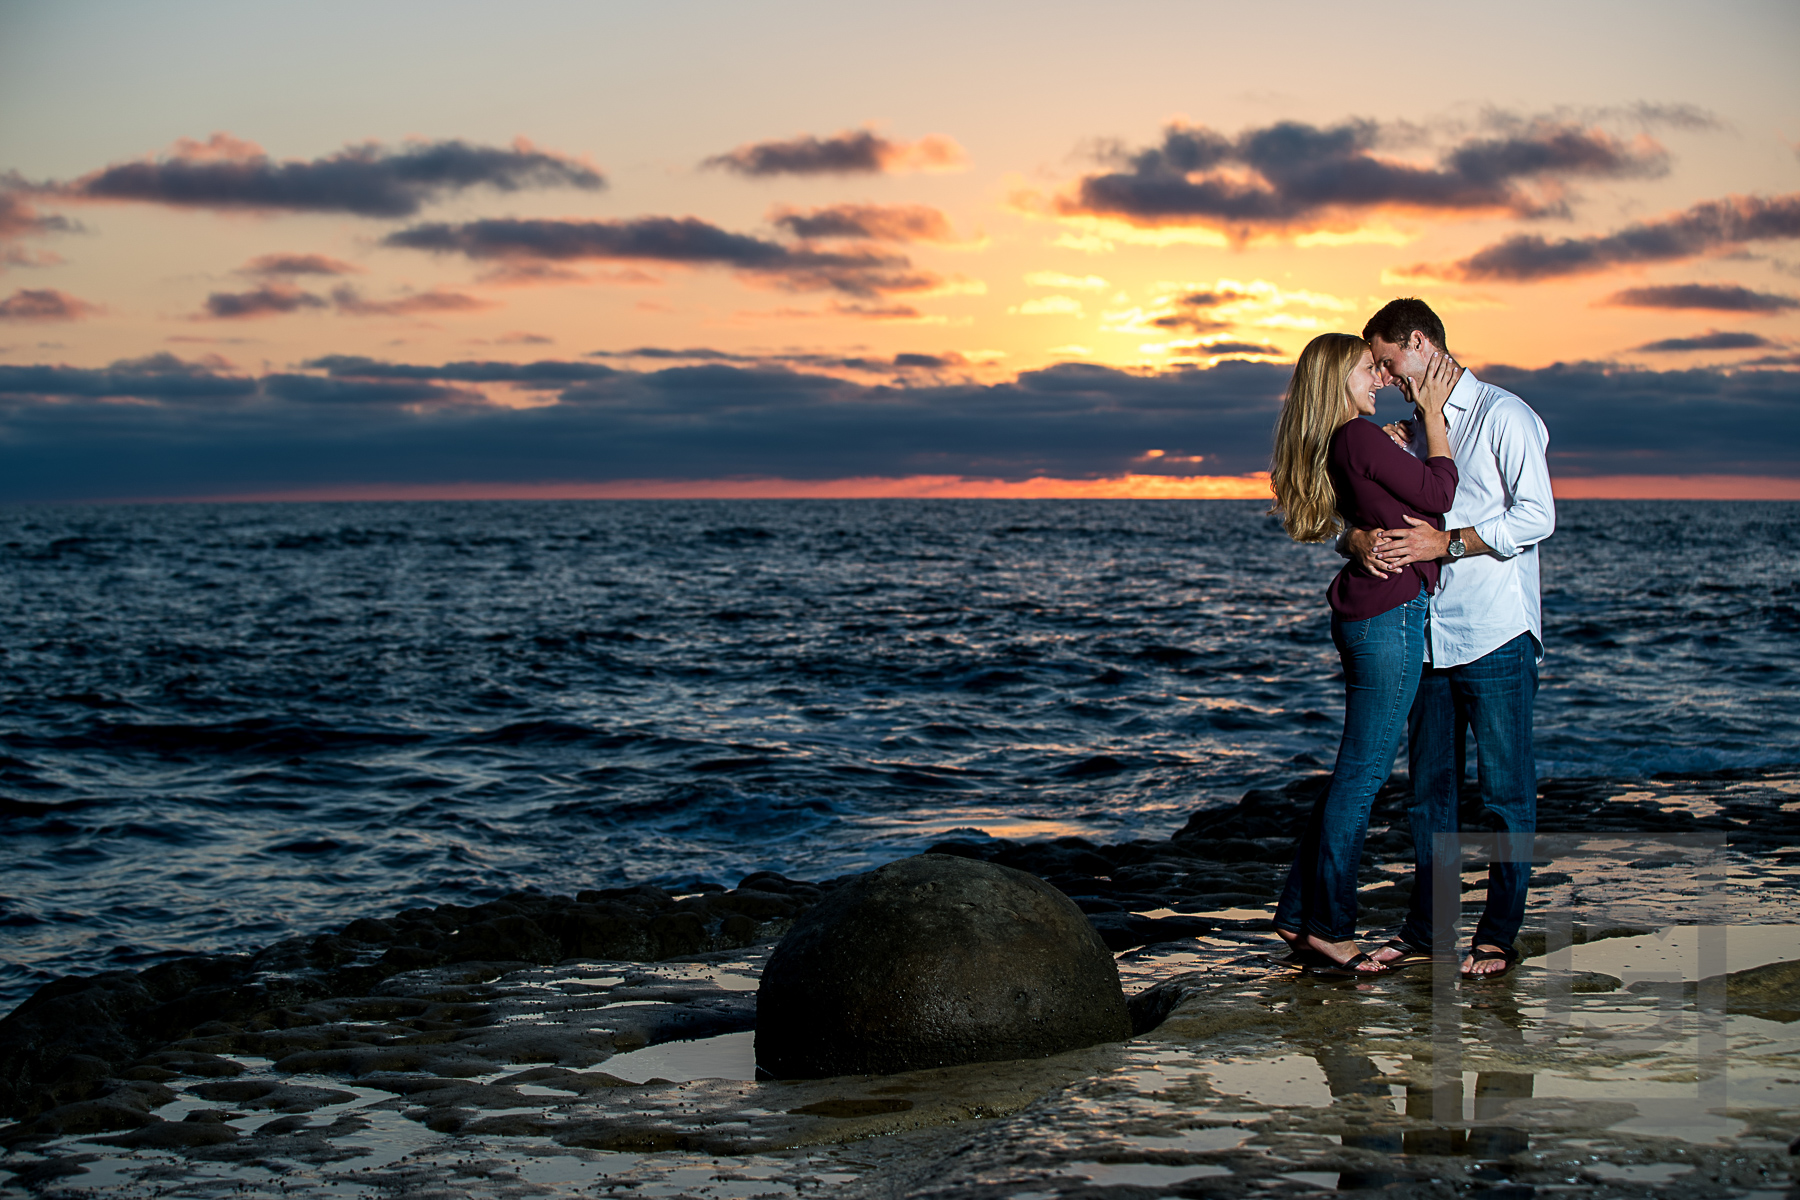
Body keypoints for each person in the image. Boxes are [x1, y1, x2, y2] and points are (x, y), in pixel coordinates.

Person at [1349, 298, 1556, 979]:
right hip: (1428, 638)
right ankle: (1428, 929)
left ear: (1419, 342)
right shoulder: (1409, 431)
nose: (1381, 376)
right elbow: (1349, 509)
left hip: (1496, 634)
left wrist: (1450, 542)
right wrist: (1360, 540)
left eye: (1386, 360)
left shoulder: (1506, 415)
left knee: (1503, 794)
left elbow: (1537, 516)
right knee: (1428, 796)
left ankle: (1498, 934)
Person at [1268, 332, 1458, 975]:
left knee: (1354, 770)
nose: (1377, 377)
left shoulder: (1353, 439)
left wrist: (1400, 439)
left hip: (1371, 614)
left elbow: (1385, 499)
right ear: (1336, 380)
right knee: (1365, 774)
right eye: (1366, 369)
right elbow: (1439, 495)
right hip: (1389, 614)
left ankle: (1298, 914)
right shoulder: (1356, 436)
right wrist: (1431, 417)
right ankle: (1329, 927)